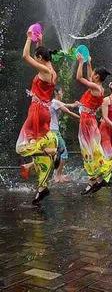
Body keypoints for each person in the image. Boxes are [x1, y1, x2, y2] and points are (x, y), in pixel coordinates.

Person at [16, 32, 58, 205]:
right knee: (38, 143)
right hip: (45, 111)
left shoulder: (44, 70)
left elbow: (25, 56)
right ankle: (42, 187)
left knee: (22, 146)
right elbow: (42, 54)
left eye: (37, 57)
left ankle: (51, 152)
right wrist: (39, 41)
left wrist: (27, 37)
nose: (36, 58)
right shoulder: (51, 69)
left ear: (40, 58)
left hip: (37, 111)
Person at [76, 54, 112, 195]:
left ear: (97, 76)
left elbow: (79, 78)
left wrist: (80, 62)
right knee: (90, 151)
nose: (91, 75)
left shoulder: (96, 88)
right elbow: (88, 77)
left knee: (89, 151)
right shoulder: (98, 87)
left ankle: (100, 175)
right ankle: (93, 181)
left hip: (87, 121)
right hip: (89, 120)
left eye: (93, 74)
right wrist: (88, 63)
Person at [50, 85, 80, 182]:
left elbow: (68, 105)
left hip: (51, 131)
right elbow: (69, 112)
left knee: (55, 152)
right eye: (61, 92)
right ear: (56, 92)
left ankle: (57, 174)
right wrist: (82, 119)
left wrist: (75, 104)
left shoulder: (54, 102)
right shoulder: (55, 102)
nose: (62, 94)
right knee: (64, 152)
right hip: (53, 131)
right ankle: (58, 176)